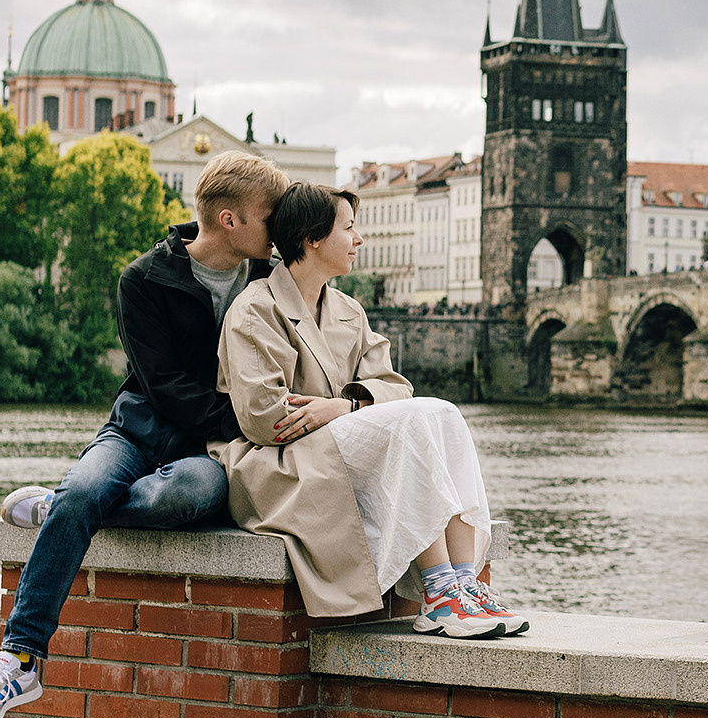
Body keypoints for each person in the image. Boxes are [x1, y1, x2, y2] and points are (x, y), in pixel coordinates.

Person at [0, 152, 291, 718]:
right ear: (230, 219)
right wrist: (254, 420)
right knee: (87, 489)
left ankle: (56, 512)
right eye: (271, 215)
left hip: (205, 452)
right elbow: (163, 386)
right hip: (138, 427)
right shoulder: (144, 278)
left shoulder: (272, 276)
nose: (280, 228)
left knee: (174, 501)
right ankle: (20, 659)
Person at [215, 181, 524, 638]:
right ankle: (438, 595)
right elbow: (266, 418)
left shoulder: (348, 310)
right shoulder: (255, 309)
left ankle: (461, 582)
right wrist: (348, 411)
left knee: (442, 412)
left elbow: (397, 388)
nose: (360, 240)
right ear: (313, 238)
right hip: (279, 463)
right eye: (350, 228)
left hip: (334, 442)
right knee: (415, 420)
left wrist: (339, 407)